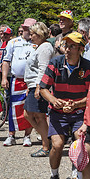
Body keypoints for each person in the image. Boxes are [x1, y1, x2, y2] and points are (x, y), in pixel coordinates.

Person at [40, 32, 90, 179]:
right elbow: (43, 88)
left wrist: (76, 105)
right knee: (57, 145)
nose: (67, 50)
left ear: (81, 49)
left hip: (80, 112)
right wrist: (54, 100)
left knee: (80, 143)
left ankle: (76, 173)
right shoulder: (55, 63)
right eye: (66, 46)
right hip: (57, 111)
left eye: (72, 46)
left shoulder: (88, 67)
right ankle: (54, 175)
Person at [2, 18, 37, 146]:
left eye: (30, 28)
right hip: (16, 79)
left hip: (31, 80)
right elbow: (6, 61)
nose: (27, 31)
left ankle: (27, 135)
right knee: (13, 107)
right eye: (26, 28)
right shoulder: (13, 42)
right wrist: (4, 78)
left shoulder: (37, 43)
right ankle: (11, 135)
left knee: (29, 108)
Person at [23, 22, 54, 157]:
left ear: (40, 34)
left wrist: (38, 87)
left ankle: (46, 146)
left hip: (39, 86)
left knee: (39, 116)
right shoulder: (40, 47)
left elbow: (44, 68)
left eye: (33, 34)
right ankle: (47, 139)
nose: (30, 36)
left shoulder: (45, 48)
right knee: (28, 114)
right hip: (33, 85)